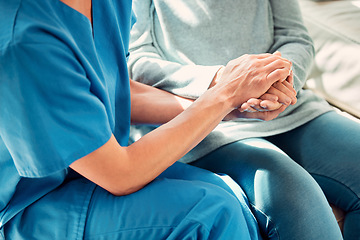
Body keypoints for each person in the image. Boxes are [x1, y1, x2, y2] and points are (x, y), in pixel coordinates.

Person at [0, 0, 303, 239]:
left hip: (95, 170)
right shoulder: (24, 38)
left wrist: (231, 107)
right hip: (31, 204)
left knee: (230, 192)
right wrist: (223, 95)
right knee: (209, 213)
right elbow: (120, 174)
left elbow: (117, 88)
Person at [128, 0, 360, 239]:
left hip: (291, 107)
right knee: (292, 193)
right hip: (205, 121)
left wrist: (280, 82)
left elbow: (294, 37)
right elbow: (137, 63)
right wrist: (226, 82)